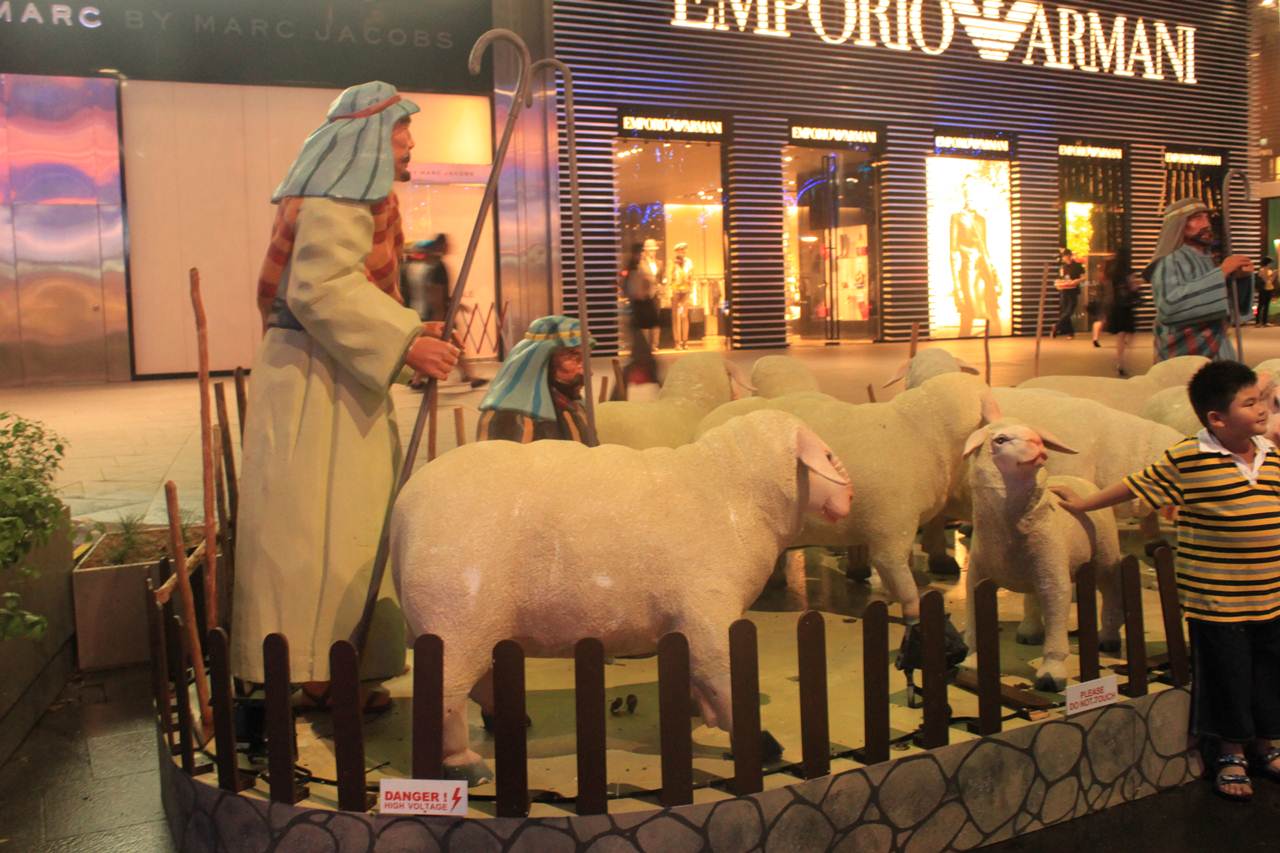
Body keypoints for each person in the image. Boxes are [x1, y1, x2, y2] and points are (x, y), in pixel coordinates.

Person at [234, 82, 460, 708]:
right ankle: (317, 669)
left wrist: (407, 337)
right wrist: (404, 343)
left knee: (343, 523)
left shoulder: (352, 195)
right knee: (320, 527)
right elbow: (321, 289)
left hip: (330, 376)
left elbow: (345, 294)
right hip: (315, 387)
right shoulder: (338, 197)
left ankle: (333, 665)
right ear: (367, 137)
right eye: (399, 131)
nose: (409, 143)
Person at [1055, 361, 1280, 802]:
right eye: (1250, 403)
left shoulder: (1270, 455)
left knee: (1268, 671)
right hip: (1218, 599)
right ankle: (1231, 753)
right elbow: (1136, 484)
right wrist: (1085, 504)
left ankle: (1267, 743)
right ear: (1217, 418)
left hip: (1270, 594)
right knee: (1228, 675)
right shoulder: (1189, 458)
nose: (1262, 410)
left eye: (1262, 401)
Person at [1144, 198, 1254, 361]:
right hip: (1187, 359)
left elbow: (1226, 308)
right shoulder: (1169, 261)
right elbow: (1169, 307)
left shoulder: (1209, 260)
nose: (1206, 224)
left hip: (1219, 351)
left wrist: (1241, 280)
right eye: (1197, 218)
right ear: (1179, 225)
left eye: (1206, 217)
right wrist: (1221, 273)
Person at [476, 315, 595, 444]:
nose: (588, 372)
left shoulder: (577, 407)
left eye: (585, 358)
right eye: (574, 358)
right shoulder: (511, 417)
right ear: (542, 361)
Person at [949, 178, 1002, 337]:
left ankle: (995, 338)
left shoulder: (980, 219)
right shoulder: (957, 217)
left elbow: (984, 247)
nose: (970, 196)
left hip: (983, 268)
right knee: (968, 310)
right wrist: (956, 285)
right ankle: (964, 338)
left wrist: (994, 273)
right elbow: (953, 251)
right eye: (968, 192)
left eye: (973, 192)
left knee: (992, 309)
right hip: (967, 268)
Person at [1105, 248, 1139, 376]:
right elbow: (1134, 286)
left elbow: (1109, 288)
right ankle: (1124, 360)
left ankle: (1119, 361)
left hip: (1116, 305)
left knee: (1120, 335)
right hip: (1126, 306)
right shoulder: (1128, 271)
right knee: (1130, 333)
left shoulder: (1112, 271)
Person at [627, 238, 662, 351]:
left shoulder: (659, 263)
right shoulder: (641, 263)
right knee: (645, 320)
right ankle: (646, 345)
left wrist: (660, 286)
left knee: (656, 320)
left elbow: (660, 278)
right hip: (645, 295)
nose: (653, 252)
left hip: (656, 294)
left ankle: (655, 344)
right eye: (650, 250)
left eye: (654, 250)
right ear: (646, 251)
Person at [1052, 249, 1085, 339]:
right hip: (1064, 291)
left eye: (1065, 256)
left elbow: (1083, 277)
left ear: (1069, 256)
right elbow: (1061, 278)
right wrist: (1058, 282)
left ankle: (1057, 326)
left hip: (1073, 291)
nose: (1064, 258)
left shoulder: (1077, 266)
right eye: (1063, 256)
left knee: (1069, 311)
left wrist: (1076, 281)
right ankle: (1070, 333)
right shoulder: (1063, 267)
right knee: (1064, 312)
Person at [668, 241, 694, 350]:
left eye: (684, 250)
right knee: (676, 316)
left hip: (685, 292)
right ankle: (677, 342)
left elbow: (691, 276)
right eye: (681, 250)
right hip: (675, 291)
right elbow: (669, 277)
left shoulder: (689, 262)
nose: (683, 252)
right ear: (677, 251)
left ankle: (685, 341)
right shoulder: (672, 262)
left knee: (684, 315)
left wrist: (691, 290)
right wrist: (669, 292)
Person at [1257, 257, 1276, 327]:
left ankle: (1265, 322)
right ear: (1267, 263)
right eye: (1270, 263)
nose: (1271, 265)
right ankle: (1258, 322)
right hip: (1263, 290)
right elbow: (1263, 280)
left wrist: (1274, 276)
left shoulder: (1270, 271)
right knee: (1260, 305)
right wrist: (1270, 276)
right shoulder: (1261, 270)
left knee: (1267, 306)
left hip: (1269, 289)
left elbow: (1270, 281)